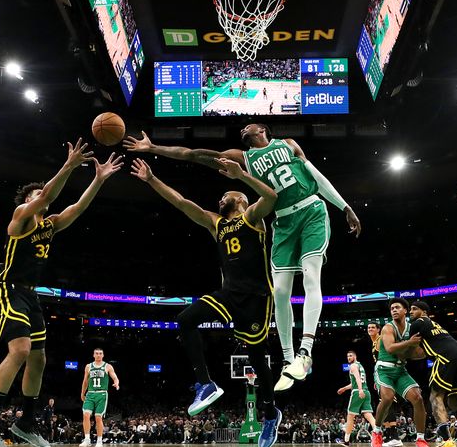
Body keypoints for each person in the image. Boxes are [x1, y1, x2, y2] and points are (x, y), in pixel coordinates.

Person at [123, 124, 361, 393]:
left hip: (310, 211)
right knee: (281, 291)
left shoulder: (287, 148)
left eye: (249, 125)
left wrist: (344, 205)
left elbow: (313, 177)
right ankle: (288, 360)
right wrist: (153, 148)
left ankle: (305, 352)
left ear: (262, 129)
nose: (243, 129)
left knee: (310, 276)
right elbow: (193, 154)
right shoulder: (238, 168)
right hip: (281, 226)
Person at [0, 140, 123, 447]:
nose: (41, 198)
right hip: (9, 288)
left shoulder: (50, 225)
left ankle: (26, 421)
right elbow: (48, 195)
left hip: (31, 295)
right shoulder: (21, 219)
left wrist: (98, 179)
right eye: (35, 195)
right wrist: (69, 165)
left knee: (39, 358)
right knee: (21, 350)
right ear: (27, 201)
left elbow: (78, 208)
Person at [130, 156, 282, 447]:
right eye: (222, 195)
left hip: (257, 296)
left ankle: (270, 411)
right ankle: (206, 383)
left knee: (256, 353)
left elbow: (271, 196)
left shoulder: (253, 217)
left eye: (229, 194)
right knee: (185, 319)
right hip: (228, 294)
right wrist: (151, 179)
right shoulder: (217, 223)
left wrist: (241, 175)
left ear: (241, 199)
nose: (222, 197)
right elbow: (182, 202)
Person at [407, 301, 457, 447]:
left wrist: (398, 354)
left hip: (445, 358)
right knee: (455, 402)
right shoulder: (436, 326)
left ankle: (447, 441)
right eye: (410, 309)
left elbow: (414, 350)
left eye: (414, 309)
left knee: (435, 398)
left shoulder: (417, 324)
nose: (410, 312)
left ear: (424, 312)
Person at [373, 298, 430, 447]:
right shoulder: (387, 328)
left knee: (417, 398)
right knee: (387, 397)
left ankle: (421, 439)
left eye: (397, 307)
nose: (394, 310)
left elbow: (417, 353)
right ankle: (377, 432)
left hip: (400, 371)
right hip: (384, 370)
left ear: (405, 310)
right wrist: (410, 343)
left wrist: (420, 352)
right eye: (392, 308)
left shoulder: (412, 328)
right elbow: (390, 348)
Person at [336, 350, 381, 447]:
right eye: (347, 356)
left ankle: (346, 441)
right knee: (368, 415)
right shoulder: (361, 366)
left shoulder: (353, 366)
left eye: (351, 356)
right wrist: (344, 388)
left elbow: (357, 379)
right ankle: (378, 433)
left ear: (355, 356)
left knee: (350, 416)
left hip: (358, 392)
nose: (349, 358)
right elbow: (356, 382)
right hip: (367, 392)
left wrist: (360, 390)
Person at [367, 322, 401, 447]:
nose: (370, 329)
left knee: (388, 403)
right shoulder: (374, 343)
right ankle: (389, 435)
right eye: (369, 327)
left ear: (378, 330)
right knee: (384, 404)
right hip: (381, 375)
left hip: (389, 374)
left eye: (373, 327)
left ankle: (394, 436)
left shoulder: (382, 340)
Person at [80, 348, 120, 447]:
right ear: (93, 355)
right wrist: (82, 393)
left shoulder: (107, 366)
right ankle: (87, 439)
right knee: (86, 415)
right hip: (90, 393)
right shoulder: (88, 366)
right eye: (96, 353)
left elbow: (115, 377)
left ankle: (99, 440)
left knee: (98, 417)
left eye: (100, 353)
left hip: (101, 394)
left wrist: (116, 383)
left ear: (103, 355)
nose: (98, 355)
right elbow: (85, 381)